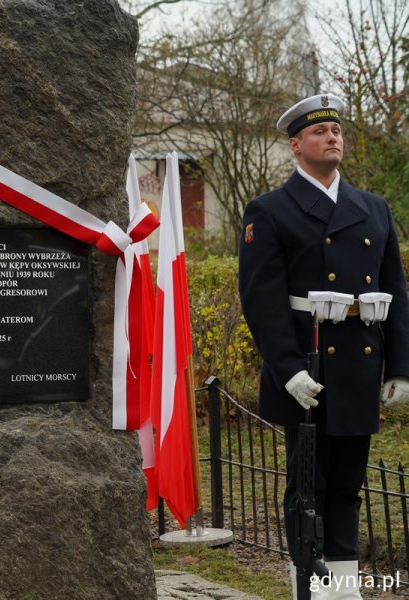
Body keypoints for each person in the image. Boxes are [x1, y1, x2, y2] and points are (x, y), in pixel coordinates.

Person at [238, 93, 409, 599]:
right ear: (296, 145)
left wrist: (400, 366)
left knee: (347, 486)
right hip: (307, 370)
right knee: (306, 488)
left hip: (359, 362)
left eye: (336, 131)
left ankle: (344, 588)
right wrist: (286, 368)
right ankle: (308, 587)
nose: (332, 138)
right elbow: (262, 298)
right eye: (319, 132)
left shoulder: (373, 208)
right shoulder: (270, 209)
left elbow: (396, 290)